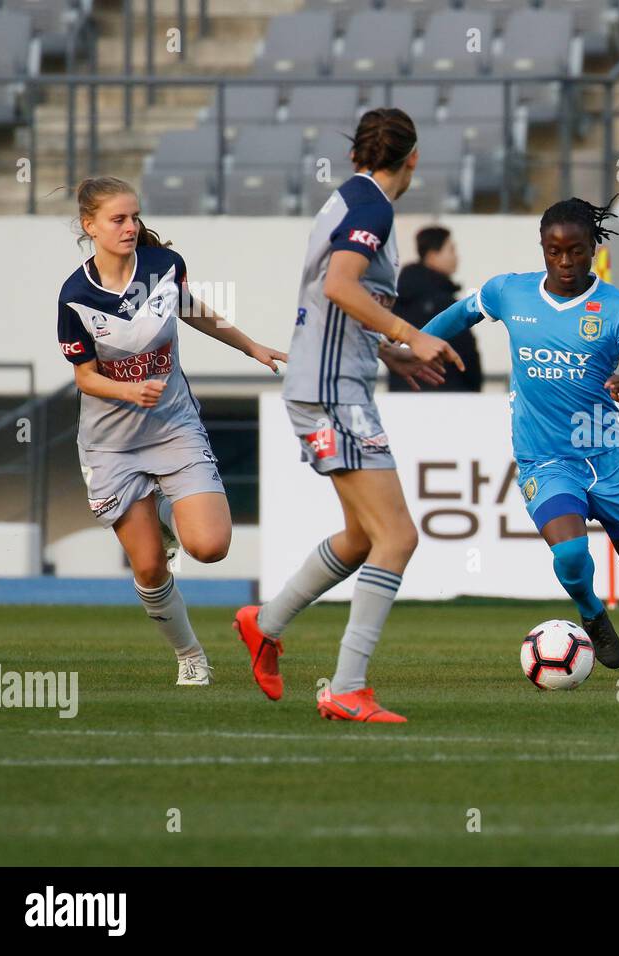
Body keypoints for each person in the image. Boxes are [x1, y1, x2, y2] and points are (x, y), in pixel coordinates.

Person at [232, 107, 460, 723]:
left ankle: (266, 622)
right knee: (399, 537)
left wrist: (389, 353)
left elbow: (330, 305)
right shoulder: (374, 209)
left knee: (363, 537)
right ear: (412, 158)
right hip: (334, 395)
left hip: (330, 385)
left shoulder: (346, 201)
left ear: (360, 153)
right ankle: (346, 686)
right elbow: (339, 285)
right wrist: (411, 333)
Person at [419, 197, 619, 688]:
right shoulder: (509, 293)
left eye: (576, 251)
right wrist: (412, 343)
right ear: (542, 248)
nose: (565, 262)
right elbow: (458, 317)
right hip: (545, 460)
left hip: (607, 459)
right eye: (554, 251)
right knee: (570, 556)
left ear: (592, 249)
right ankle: (591, 614)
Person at [56, 176, 287, 686]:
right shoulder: (75, 296)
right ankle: (190, 656)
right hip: (111, 445)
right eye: (118, 219)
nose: (130, 227)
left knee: (209, 547)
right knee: (150, 570)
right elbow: (84, 376)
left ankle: (166, 510)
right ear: (89, 226)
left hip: (173, 427)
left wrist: (252, 347)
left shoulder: (163, 267)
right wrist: (127, 391)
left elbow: (190, 308)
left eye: (135, 217)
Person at [389, 226, 482, 392]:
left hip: (401, 395)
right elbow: (466, 355)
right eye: (451, 250)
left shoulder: (398, 301)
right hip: (449, 395)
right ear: (432, 256)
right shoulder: (445, 303)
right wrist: (474, 388)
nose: (456, 257)